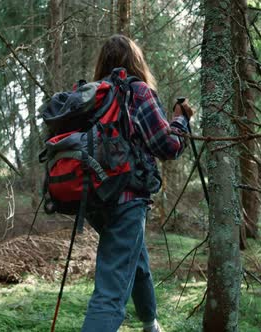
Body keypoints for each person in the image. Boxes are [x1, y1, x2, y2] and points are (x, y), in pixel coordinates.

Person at [81, 35, 194, 332]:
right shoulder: (137, 92)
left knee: (137, 260)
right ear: (136, 62)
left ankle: (150, 323)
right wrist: (181, 121)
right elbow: (168, 146)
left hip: (95, 200)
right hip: (127, 197)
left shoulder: (91, 96)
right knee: (110, 294)